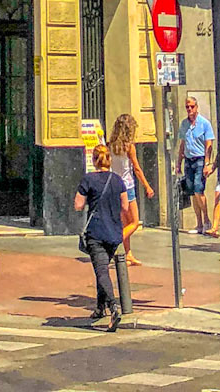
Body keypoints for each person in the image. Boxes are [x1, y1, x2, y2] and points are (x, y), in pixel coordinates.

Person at [73, 140, 127, 331]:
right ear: (109, 160)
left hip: (96, 232)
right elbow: (125, 206)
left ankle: (113, 306)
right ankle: (99, 308)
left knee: (101, 271)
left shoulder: (88, 179)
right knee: (101, 268)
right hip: (114, 233)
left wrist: (87, 199)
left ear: (94, 160)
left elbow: (78, 205)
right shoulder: (118, 180)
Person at [108, 112, 154, 266]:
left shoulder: (111, 145)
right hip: (127, 187)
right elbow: (137, 169)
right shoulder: (129, 147)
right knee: (134, 222)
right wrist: (147, 186)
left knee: (124, 221)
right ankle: (113, 243)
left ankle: (128, 254)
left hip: (114, 187)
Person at [176, 93, 216, 235]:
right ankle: (198, 223)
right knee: (192, 192)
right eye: (187, 107)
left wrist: (207, 163)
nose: (189, 109)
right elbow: (182, 144)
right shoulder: (184, 124)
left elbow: (209, 144)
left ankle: (206, 220)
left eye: (192, 107)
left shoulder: (204, 123)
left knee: (199, 190)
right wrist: (178, 163)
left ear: (197, 107)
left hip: (200, 159)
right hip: (188, 160)